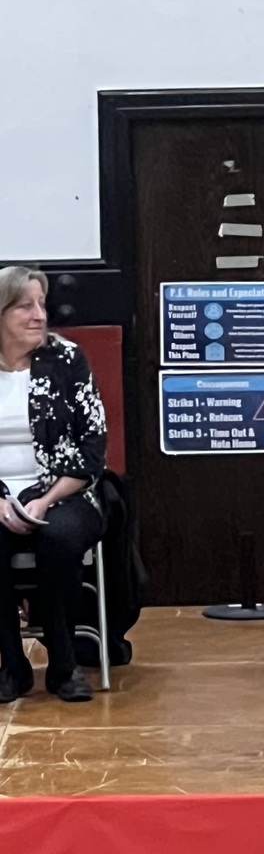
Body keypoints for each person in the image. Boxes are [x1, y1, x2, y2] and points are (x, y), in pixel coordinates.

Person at [0, 266, 107, 703]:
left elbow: (93, 446)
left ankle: (64, 664)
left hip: (64, 489)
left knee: (61, 537)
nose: (39, 315)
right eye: (25, 305)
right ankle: (13, 664)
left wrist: (44, 501)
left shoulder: (66, 359)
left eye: (42, 303)